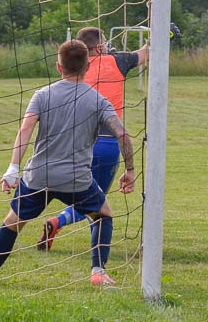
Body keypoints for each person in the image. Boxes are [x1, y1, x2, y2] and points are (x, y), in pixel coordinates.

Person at [0, 40, 136, 289]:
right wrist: (130, 170)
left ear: (59, 67)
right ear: (88, 66)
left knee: (12, 223)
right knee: (103, 215)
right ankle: (98, 272)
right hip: (76, 179)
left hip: (38, 176)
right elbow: (121, 134)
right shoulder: (99, 100)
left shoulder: (42, 95)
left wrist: (13, 169)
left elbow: (25, 130)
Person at [35, 26, 148, 252]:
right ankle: (60, 224)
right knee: (96, 199)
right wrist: (163, 35)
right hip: (106, 142)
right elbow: (146, 53)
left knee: (82, 193)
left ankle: (69, 229)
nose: (108, 45)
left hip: (75, 141)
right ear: (98, 47)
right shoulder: (117, 61)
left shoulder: (77, 70)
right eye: (105, 42)